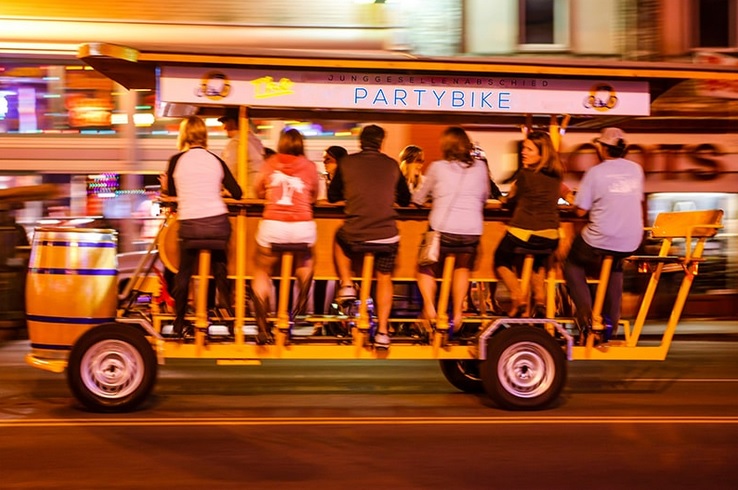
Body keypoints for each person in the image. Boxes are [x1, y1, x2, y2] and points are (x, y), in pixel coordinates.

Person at [327, 125, 411, 349]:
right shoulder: (392, 165)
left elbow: (332, 196)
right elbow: (405, 199)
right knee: (384, 278)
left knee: (338, 234)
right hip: (387, 236)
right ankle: (383, 331)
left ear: (360, 142)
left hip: (356, 235)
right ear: (381, 143)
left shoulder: (346, 163)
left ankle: (346, 284)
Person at [165, 115, 243, 337]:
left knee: (184, 273)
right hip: (218, 224)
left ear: (184, 135)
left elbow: (171, 193)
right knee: (220, 267)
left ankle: (179, 322)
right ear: (204, 135)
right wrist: (220, 191)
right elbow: (238, 193)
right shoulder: (216, 159)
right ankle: (227, 315)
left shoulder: (176, 160)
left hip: (190, 224)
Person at [564, 127, 644, 339]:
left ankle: (588, 318)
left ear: (603, 148)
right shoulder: (637, 170)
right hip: (632, 240)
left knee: (572, 264)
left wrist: (572, 200)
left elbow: (581, 210)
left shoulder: (595, 173)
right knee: (615, 266)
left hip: (601, 238)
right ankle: (611, 324)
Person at [412, 127, 490, 332]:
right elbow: (484, 196)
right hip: (472, 232)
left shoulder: (438, 167)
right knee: (462, 267)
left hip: (442, 231)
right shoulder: (481, 167)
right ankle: (457, 313)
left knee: (424, 266)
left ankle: (430, 308)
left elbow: (418, 199)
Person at [251, 128, 319, 344]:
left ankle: (262, 324)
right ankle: (300, 300)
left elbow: (257, 190)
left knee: (262, 270)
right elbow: (314, 195)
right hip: (302, 227)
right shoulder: (310, 166)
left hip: (273, 226)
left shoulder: (270, 162)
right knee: (306, 260)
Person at [494, 131, 566, 318]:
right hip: (551, 236)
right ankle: (540, 301)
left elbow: (510, 201)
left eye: (529, 149)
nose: (524, 152)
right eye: (524, 148)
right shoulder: (557, 177)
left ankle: (519, 297)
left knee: (500, 258)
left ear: (542, 154)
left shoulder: (525, 175)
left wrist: (505, 198)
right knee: (538, 260)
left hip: (524, 232)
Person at [218, 109, 265, 199]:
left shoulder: (236, 143)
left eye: (225, 122)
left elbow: (227, 173)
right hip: (256, 194)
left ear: (232, 122)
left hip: (244, 196)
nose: (224, 127)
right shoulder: (256, 142)